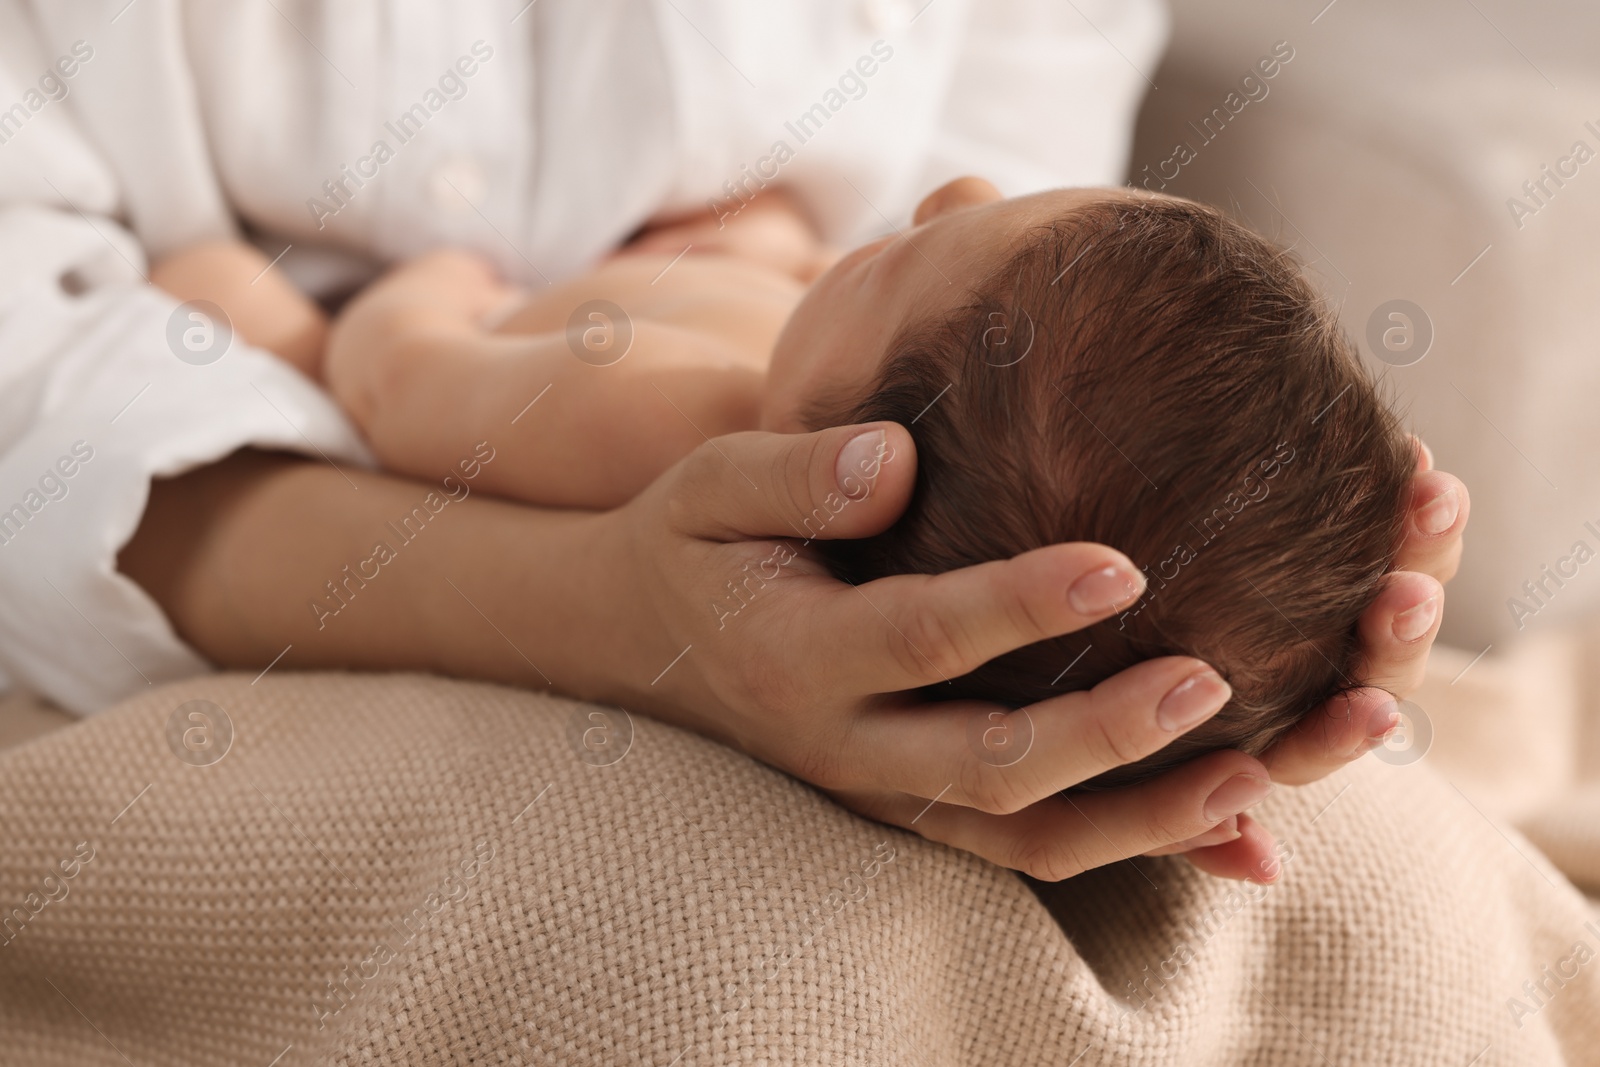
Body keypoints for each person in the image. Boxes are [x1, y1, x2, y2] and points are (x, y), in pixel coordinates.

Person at [0, 2, 1465, 883]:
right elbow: (367, 403)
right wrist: (760, 236)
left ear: (841, 466)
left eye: (901, 262)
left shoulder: (662, 400)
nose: (950, 191)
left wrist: (409, 314)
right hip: (225, 513)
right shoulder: (746, 379)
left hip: (402, 377)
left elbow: (409, 383)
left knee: (1398, 892)